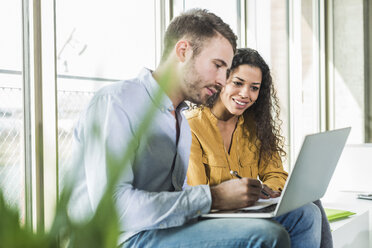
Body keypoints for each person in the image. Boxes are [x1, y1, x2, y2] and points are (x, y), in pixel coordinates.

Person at [69, 9, 321, 248]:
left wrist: (238, 200)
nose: (222, 80)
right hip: (123, 238)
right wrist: (214, 197)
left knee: (304, 213)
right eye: (218, 65)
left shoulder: (178, 117)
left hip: (166, 227)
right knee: (266, 235)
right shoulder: (116, 102)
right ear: (183, 51)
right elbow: (112, 210)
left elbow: (178, 198)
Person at [186, 48, 331, 247]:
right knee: (306, 213)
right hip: (215, 218)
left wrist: (267, 190)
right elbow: (197, 194)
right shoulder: (192, 127)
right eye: (237, 83)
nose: (245, 94)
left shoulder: (255, 126)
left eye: (254, 87)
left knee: (313, 203)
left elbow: (276, 173)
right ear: (221, 81)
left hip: (252, 210)